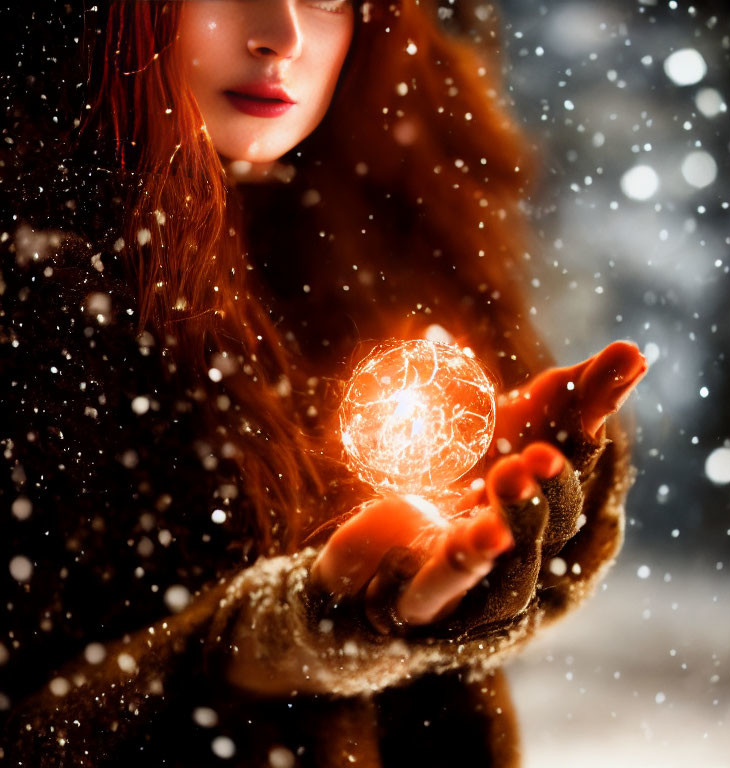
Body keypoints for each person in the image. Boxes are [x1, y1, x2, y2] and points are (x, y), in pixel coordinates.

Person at [0, 0, 647, 765]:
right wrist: (262, 647)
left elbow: (448, 657)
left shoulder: (397, 222)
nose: (283, 35)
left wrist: (515, 543)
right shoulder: (34, 292)